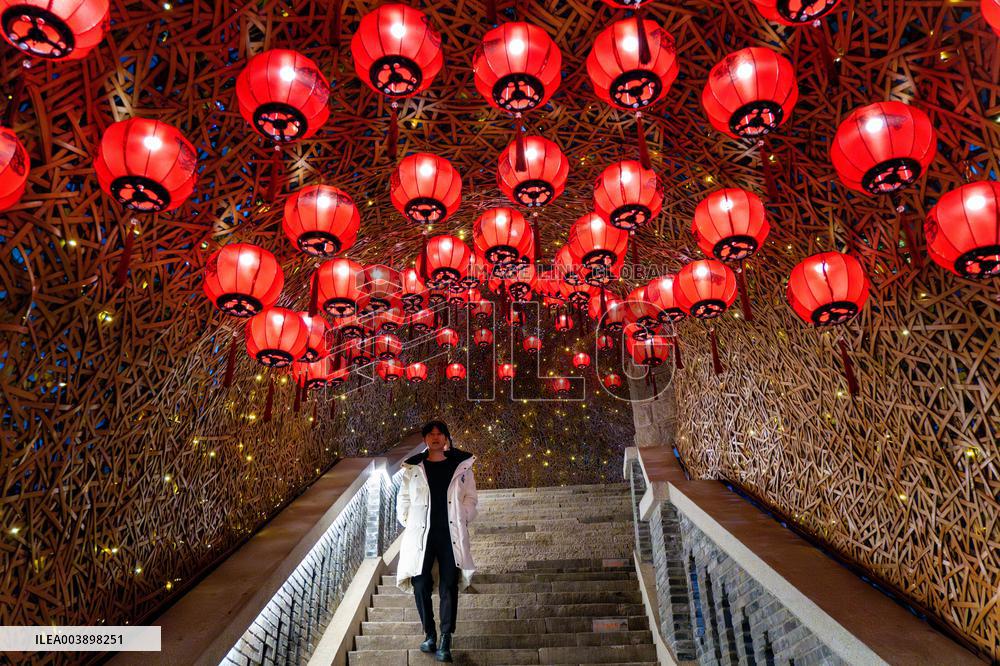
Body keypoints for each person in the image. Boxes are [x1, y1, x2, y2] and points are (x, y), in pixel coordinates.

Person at [395, 420, 478, 662]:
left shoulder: (461, 467)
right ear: (424, 439)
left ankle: (445, 639)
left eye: (440, 434)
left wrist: (463, 515)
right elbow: (403, 499)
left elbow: (471, 498)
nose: (435, 437)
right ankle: (429, 634)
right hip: (422, 534)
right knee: (420, 582)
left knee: (449, 584)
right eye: (430, 434)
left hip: (450, 533)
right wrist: (410, 519)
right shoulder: (413, 468)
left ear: (446, 438)